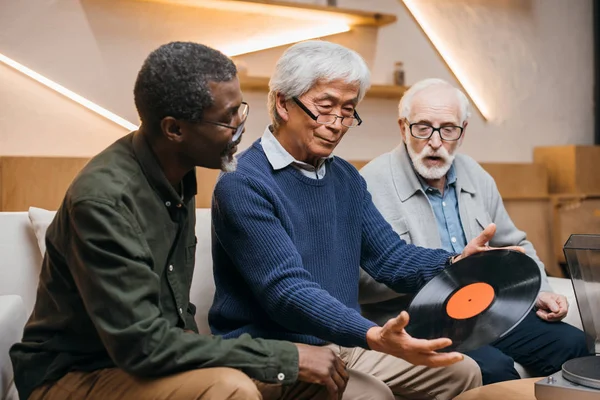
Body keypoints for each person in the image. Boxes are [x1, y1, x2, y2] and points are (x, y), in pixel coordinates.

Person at [9, 41, 351, 400]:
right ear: (174, 130)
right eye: (227, 118)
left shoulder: (177, 177)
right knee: (232, 389)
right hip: (75, 375)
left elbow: (171, 326)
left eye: (241, 111)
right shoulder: (104, 202)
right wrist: (283, 355)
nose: (240, 127)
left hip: (149, 360)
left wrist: (290, 359)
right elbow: (143, 347)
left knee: (312, 378)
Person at [207, 40, 527, 400]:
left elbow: (390, 258)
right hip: (272, 352)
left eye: (348, 111)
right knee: (371, 395)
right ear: (282, 103)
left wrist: (453, 262)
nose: (338, 125)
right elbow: (286, 291)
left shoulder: (344, 177)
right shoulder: (244, 182)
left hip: (342, 343)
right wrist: (370, 334)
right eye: (325, 108)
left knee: (461, 371)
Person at [359, 78, 590, 385]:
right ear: (403, 127)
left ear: (463, 132)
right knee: (492, 368)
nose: (436, 141)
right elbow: (359, 279)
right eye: (423, 127)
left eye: (448, 129)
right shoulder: (370, 184)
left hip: (485, 310)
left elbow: (515, 243)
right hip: (416, 322)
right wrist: (446, 269)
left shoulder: (477, 177)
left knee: (573, 344)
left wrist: (542, 289)